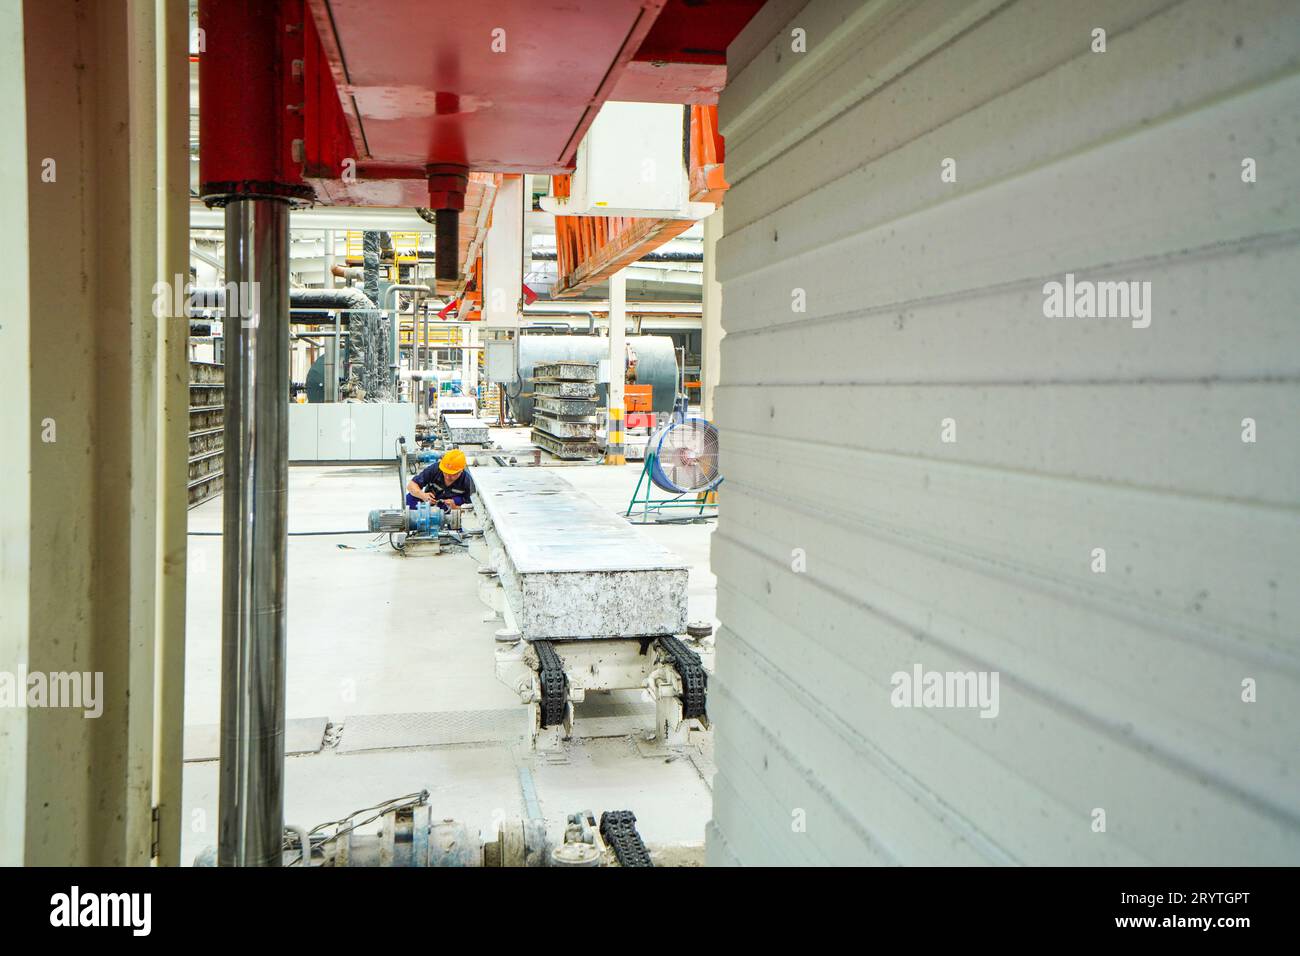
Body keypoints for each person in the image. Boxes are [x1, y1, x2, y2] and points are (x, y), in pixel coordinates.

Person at [406, 447, 474, 511]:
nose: (447, 477)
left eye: (452, 474)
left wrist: (456, 508)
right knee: (410, 497)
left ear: (461, 470)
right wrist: (423, 495)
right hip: (431, 500)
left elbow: (473, 507)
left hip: (451, 506)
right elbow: (411, 485)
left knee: (459, 500)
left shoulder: (467, 480)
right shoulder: (435, 469)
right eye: (445, 473)